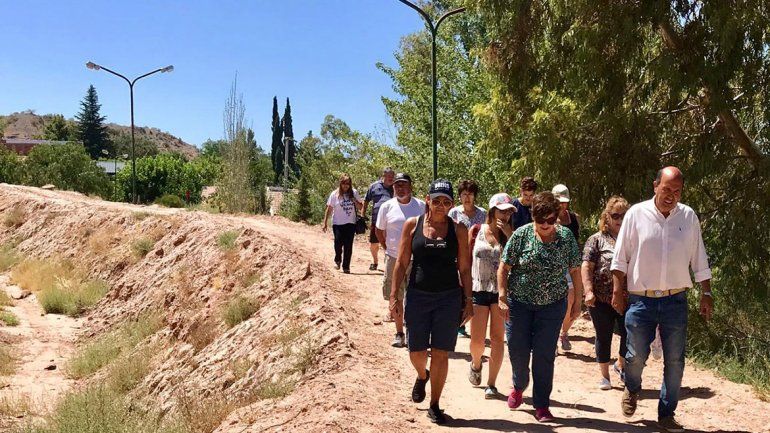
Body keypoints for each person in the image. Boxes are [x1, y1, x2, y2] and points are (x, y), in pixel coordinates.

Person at [611, 167, 713, 433]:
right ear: (655, 185)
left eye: (677, 191)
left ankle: (666, 414)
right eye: (667, 189)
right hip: (640, 301)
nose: (671, 196)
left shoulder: (688, 217)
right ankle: (632, 387)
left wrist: (706, 291)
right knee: (634, 357)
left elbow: (699, 257)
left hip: (675, 301)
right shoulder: (636, 214)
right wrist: (617, 290)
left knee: (675, 360)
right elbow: (620, 258)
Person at [391, 179, 473, 425]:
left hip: (448, 297)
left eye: (446, 202)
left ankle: (435, 404)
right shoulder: (412, 225)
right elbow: (402, 263)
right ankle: (422, 374)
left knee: (440, 353)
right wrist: (395, 295)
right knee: (416, 351)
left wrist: (468, 300)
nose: (440, 206)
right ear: (427, 200)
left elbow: (465, 269)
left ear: (451, 205)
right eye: (436, 200)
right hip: (418, 295)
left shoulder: (458, 230)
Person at [498, 192, 582, 423]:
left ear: (557, 217)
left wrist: (578, 302)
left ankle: (542, 405)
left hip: (552, 306)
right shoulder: (521, 235)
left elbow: (575, 269)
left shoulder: (565, 237)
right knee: (518, 350)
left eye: (551, 220)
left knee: (544, 356)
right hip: (520, 305)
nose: (545, 225)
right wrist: (502, 296)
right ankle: (519, 385)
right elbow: (503, 268)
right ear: (533, 217)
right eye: (540, 220)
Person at [467, 193, 514, 399]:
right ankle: (476, 364)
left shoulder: (513, 235)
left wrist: (509, 234)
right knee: (477, 340)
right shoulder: (476, 230)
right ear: (492, 210)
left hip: (501, 293)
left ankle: (492, 384)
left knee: (497, 338)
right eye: (501, 210)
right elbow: (466, 259)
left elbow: (520, 259)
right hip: (478, 289)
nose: (504, 214)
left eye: (508, 211)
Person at [581, 195, 630, 390]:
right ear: (607, 217)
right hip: (601, 299)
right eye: (615, 215)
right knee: (604, 335)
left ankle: (621, 364)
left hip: (628, 298)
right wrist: (588, 291)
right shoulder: (596, 240)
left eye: (624, 215)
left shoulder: (632, 239)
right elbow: (586, 266)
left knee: (629, 334)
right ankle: (605, 376)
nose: (619, 219)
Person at [375, 173, 424, 348]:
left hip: (416, 258)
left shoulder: (421, 206)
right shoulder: (386, 207)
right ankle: (399, 332)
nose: (399, 188)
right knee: (395, 295)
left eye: (403, 185)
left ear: (410, 187)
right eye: (397, 185)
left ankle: (411, 331)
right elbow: (379, 230)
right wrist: (387, 248)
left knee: (415, 296)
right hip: (394, 257)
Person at [448, 179, 486, 338]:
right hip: (459, 256)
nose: (467, 198)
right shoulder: (453, 213)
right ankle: (459, 325)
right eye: (464, 194)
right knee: (459, 288)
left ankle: (471, 322)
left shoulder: (483, 213)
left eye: (470, 194)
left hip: (478, 257)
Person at [553, 183, 581, 351]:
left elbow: (576, 241)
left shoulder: (574, 218)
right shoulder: (549, 219)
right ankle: (556, 335)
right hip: (555, 265)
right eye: (559, 202)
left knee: (573, 301)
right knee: (562, 300)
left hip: (571, 264)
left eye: (565, 202)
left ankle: (564, 333)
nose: (563, 205)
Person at [322, 174, 362, 274]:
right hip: (338, 223)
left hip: (350, 223)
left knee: (348, 245)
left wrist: (355, 201)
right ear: (340, 183)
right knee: (338, 243)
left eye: (348, 183)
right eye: (344, 183)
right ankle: (338, 260)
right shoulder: (334, 194)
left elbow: (361, 207)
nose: (346, 186)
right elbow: (329, 208)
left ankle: (346, 266)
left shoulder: (354, 192)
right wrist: (325, 222)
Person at [363, 168, 395, 271]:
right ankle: (375, 261)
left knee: (390, 242)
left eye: (392, 176)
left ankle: (389, 263)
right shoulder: (374, 186)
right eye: (389, 176)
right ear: (383, 176)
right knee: (374, 242)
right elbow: (366, 200)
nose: (391, 178)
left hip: (391, 220)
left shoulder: (396, 187)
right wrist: (363, 213)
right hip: (376, 219)